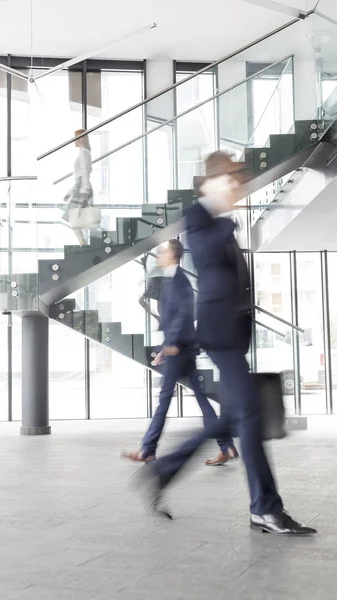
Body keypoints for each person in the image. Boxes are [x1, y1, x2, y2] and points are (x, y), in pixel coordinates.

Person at [136, 152, 317, 536]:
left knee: (234, 416)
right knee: (249, 416)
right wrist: (224, 214)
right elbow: (206, 257)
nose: (237, 186)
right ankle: (265, 509)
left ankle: (165, 470)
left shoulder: (216, 219)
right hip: (219, 332)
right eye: (230, 179)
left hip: (232, 331)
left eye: (238, 180)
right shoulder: (201, 217)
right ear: (210, 183)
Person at [123, 238, 237, 465]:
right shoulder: (172, 280)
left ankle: (148, 449)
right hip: (181, 348)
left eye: (164, 253)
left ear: (173, 256)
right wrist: (165, 347)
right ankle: (227, 446)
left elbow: (183, 313)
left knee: (164, 399)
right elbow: (176, 315)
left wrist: (170, 344)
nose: (161, 256)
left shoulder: (178, 280)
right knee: (201, 400)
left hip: (180, 349)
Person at [64, 129, 94, 246]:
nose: (74, 141)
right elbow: (80, 177)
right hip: (79, 186)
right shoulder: (83, 152)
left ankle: (83, 241)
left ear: (81, 138)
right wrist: (70, 192)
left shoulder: (84, 153)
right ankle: (82, 241)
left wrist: (84, 191)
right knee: (75, 216)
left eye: (76, 138)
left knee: (74, 216)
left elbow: (85, 173)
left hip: (82, 187)